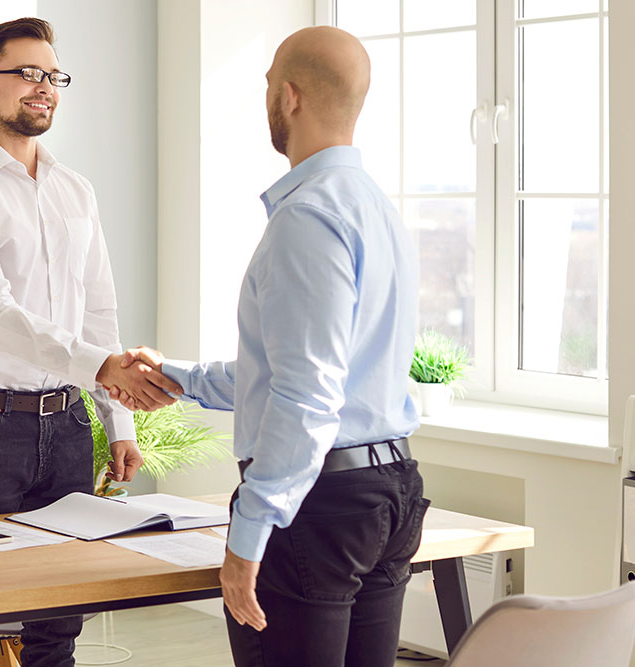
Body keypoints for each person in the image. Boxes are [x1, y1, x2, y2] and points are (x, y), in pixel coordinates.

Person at [112, 26, 427, 667]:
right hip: (387, 490)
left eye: (267, 84)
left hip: (318, 506)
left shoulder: (307, 217)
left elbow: (307, 394)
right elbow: (311, 371)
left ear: (289, 97)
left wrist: (249, 532)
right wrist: (179, 377)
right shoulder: (376, 208)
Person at [0, 17, 181, 667]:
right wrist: (105, 366)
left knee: (59, 616)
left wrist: (119, 424)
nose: (45, 87)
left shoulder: (75, 190)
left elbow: (99, 310)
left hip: (66, 423)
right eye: (28, 73)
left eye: (54, 75)